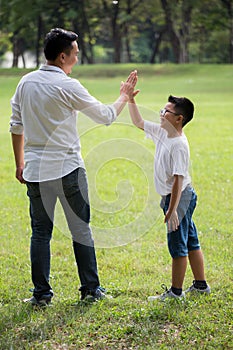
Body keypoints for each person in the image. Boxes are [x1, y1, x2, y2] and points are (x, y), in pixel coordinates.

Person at [10, 28, 137, 306]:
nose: (77, 59)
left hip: (36, 172)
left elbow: (16, 126)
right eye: (76, 54)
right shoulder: (68, 85)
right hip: (68, 169)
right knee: (81, 230)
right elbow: (105, 116)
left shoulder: (25, 82)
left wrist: (19, 161)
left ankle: (41, 295)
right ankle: (91, 290)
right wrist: (124, 96)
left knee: (40, 233)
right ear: (63, 56)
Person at [125, 70, 210, 300]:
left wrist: (172, 210)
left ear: (179, 119)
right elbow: (139, 122)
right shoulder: (163, 131)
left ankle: (176, 292)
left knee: (177, 245)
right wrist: (131, 99)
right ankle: (201, 285)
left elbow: (178, 181)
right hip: (179, 197)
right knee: (190, 238)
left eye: (166, 112)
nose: (161, 114)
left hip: (179, 197)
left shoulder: (179, 145)